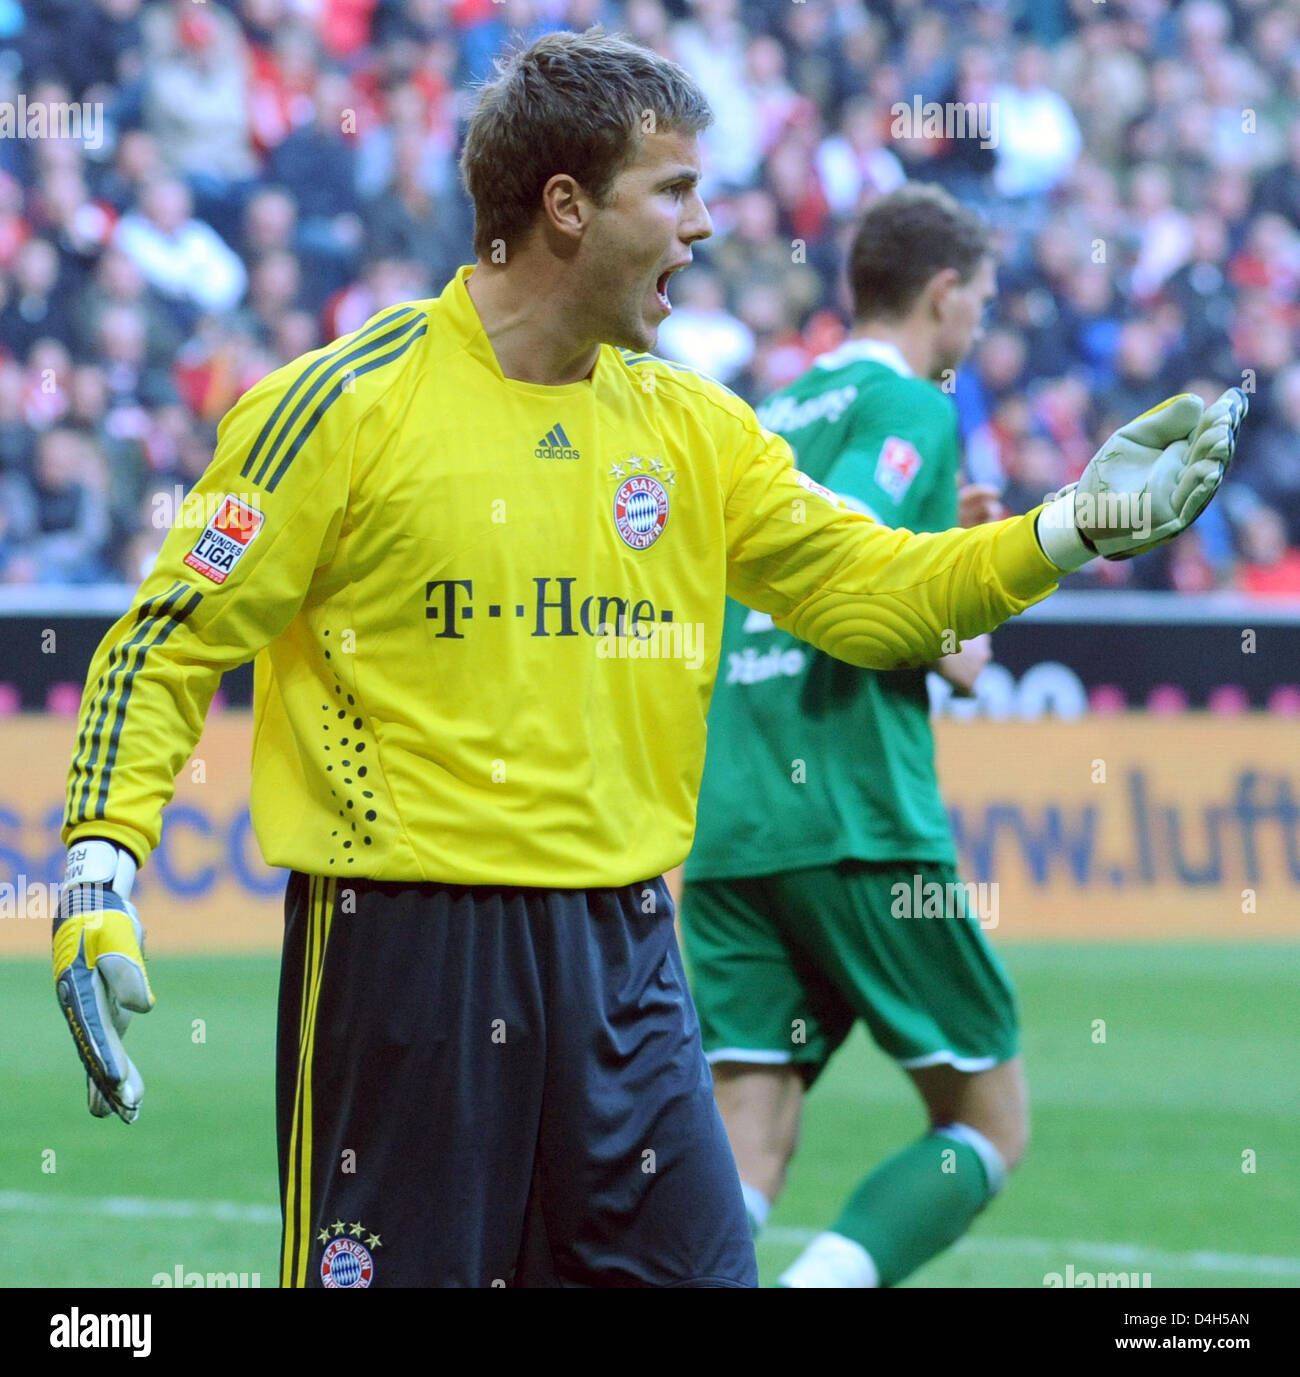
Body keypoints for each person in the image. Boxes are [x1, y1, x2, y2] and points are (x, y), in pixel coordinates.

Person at [51, 29, 1244, 1290]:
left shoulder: (689, 428)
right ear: (565, 207)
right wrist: (94, 871)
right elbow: (165, 644)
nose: (709, 224)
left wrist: (1071, 526)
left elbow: (877, 596)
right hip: (410, 967)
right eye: (674, 190)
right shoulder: (343, 405)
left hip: (627, 965)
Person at [681, 184, 1023, 1289]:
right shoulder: (920, 406)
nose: (977, 323)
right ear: (941, 292)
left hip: (731, 820)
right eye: (977, 300)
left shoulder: (763, 412)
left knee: (749, 1126)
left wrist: (944, 548)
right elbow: (904, 615)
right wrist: (973, 600)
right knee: (985, 1120)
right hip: (856, 811)